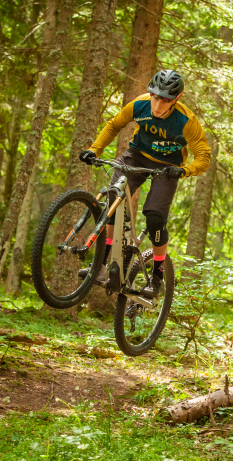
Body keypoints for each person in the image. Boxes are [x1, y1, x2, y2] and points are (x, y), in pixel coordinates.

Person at [78, 70, 211, 297]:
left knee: (155, 218)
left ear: (176, 99)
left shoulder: (186, 121)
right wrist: (93, 150)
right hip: (137, 155)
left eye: (166, 100)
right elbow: (113, 125)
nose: (158, 105)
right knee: (113, 200)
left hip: (168, 166)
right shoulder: (139, 105)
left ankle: (157, 276)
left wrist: (183, 171)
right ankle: (100, 264)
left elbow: (204, 157)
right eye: (155, 97)